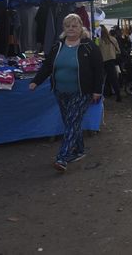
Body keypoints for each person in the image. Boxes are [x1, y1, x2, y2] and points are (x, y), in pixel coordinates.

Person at [29, 14, 103, 172]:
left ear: (81, 27)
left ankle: (62, 158)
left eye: (74, 26)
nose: (71, 29)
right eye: (67, 26)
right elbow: (48, 66)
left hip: (82, 92)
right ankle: (79, 150)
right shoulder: (58, 46)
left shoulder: (89, 46)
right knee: (71, 123)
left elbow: (99, 70)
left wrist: (97, 91)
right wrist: (36, 81)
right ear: (63, 28)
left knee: (72, 122)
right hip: (60, 92)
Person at [99, 25, 122, 102]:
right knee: (114, 79)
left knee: (101, 80)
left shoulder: (98, 40)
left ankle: (102, 95)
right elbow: (118, 50)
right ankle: (118, 95)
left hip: (102, 61)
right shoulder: (113, 39)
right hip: (111, 61)